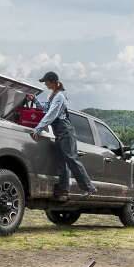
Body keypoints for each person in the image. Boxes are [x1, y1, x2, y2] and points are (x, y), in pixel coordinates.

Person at [29, 71, 97, 201]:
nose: (45, 84)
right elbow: (45, 109)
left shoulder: (60, 96)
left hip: (66, 131)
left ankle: (89, 187)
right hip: (59, 133)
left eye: (46, 82)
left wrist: (38, 129)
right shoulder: (52, 95)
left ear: (53, 81)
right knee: (62, 162)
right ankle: (63, 190)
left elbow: (51, 114)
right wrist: (35, 100)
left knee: (71, 159)